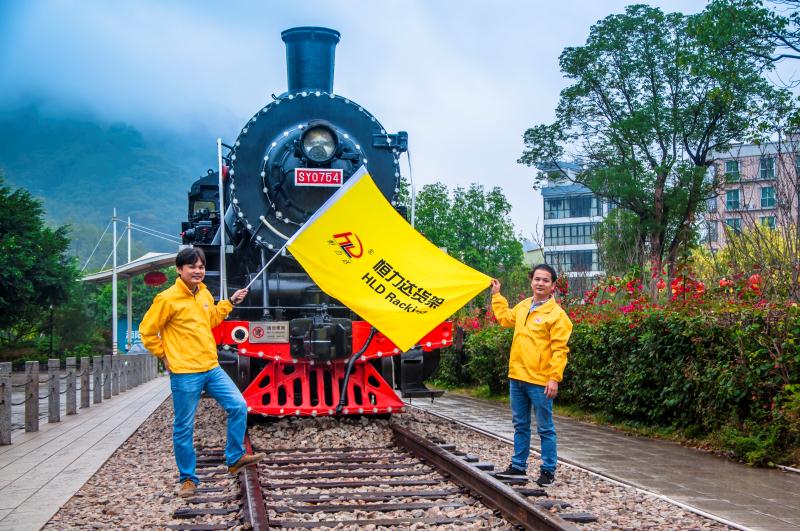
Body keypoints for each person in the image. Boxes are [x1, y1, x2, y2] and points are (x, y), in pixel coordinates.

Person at [140, 247, 265, 498]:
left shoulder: (205, 293)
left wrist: (229, 302)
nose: (198, 271)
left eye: (201, 267)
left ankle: (235, 457)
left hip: (211, 367)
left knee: (238, 405)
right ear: (179, 269)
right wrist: (164, 355)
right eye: (192, 267)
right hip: (185, 371)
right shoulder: (167, 299)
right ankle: (187, 479)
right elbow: (147, 331)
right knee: (184, 426)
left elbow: (211, 319)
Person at [490, 264, 573, 487]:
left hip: (540, 381)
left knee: (545, 427)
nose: (540, 283)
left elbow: (560, 349)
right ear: (531, 281)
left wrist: (554, 377)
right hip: (517, 377)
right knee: (520, 425)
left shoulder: (557, 316)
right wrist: (497, 296)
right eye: (537, 279)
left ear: (553, 286)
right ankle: (518, 466)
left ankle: (548, 471)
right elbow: (506, 319)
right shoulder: (524, 306)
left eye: (545, 280)